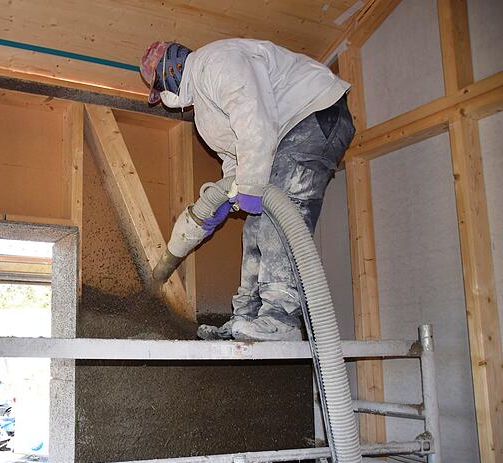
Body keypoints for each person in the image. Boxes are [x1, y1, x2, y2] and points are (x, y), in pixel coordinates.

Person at [140, 39, 355, 341]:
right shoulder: (202, 108)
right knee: (255, 226)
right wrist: (229, 195)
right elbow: (235, 157)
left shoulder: (216, 62)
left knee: (278, 218)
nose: (163, 97)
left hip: (315, 114)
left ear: (170, 71)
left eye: (160, 86)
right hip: (285, 134)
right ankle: (248, 316)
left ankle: (281, 317)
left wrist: (251, 186)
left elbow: (255, 120)